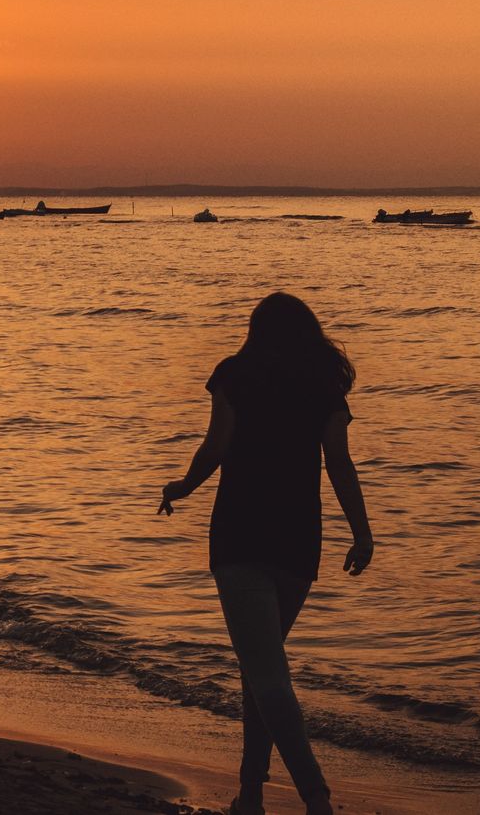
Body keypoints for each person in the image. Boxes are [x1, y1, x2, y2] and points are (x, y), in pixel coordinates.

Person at [157, 293, 373, 815]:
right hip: (299, 539)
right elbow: (339, 465)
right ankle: (250, 793)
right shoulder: (324, 386)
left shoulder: (236, 373)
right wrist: (362, 534)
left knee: (265, 672)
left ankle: (315, 797)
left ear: (256, 331)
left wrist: (184, 486)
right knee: (261, 665)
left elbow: (217, 445)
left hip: (240, 534)